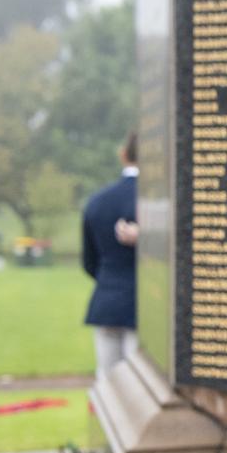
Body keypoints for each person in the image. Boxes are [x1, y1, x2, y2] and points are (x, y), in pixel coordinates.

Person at [82, 131, 140, 381]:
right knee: (140, 385)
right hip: (145, 304)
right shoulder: (159, 201)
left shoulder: (97, 201)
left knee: (109, 384)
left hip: (107, 300)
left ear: (123, 155)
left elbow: (89, 261)